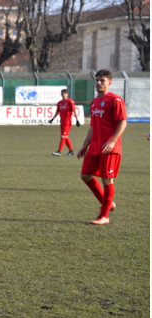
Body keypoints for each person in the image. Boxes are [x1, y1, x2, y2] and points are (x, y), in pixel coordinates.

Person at [77, 69, 127, 225]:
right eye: (97, 80)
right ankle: (108, 203)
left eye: (102, 80)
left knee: (107, 179)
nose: (98, 83)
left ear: (109, 82)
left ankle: (104, 216)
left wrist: (112, 141)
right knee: (85, 175)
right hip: (95, 147)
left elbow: (122, 122)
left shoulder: (115, 100)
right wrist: (85, 145)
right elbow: (92, 126)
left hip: (109, 148)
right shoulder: (94, 103)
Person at [49, 89, 80, 156]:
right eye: (62, 93)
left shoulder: (70, 102)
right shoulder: (59, 103)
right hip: (62, 122)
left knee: (63, 136)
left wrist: (77, 120)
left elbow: (74, 111)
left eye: (64, 93)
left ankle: (59, 151)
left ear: (67, 94)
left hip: (67, 122)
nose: (63, 95)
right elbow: (57, 112)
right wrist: (52, 119)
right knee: (65, 137)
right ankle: (71, 151)